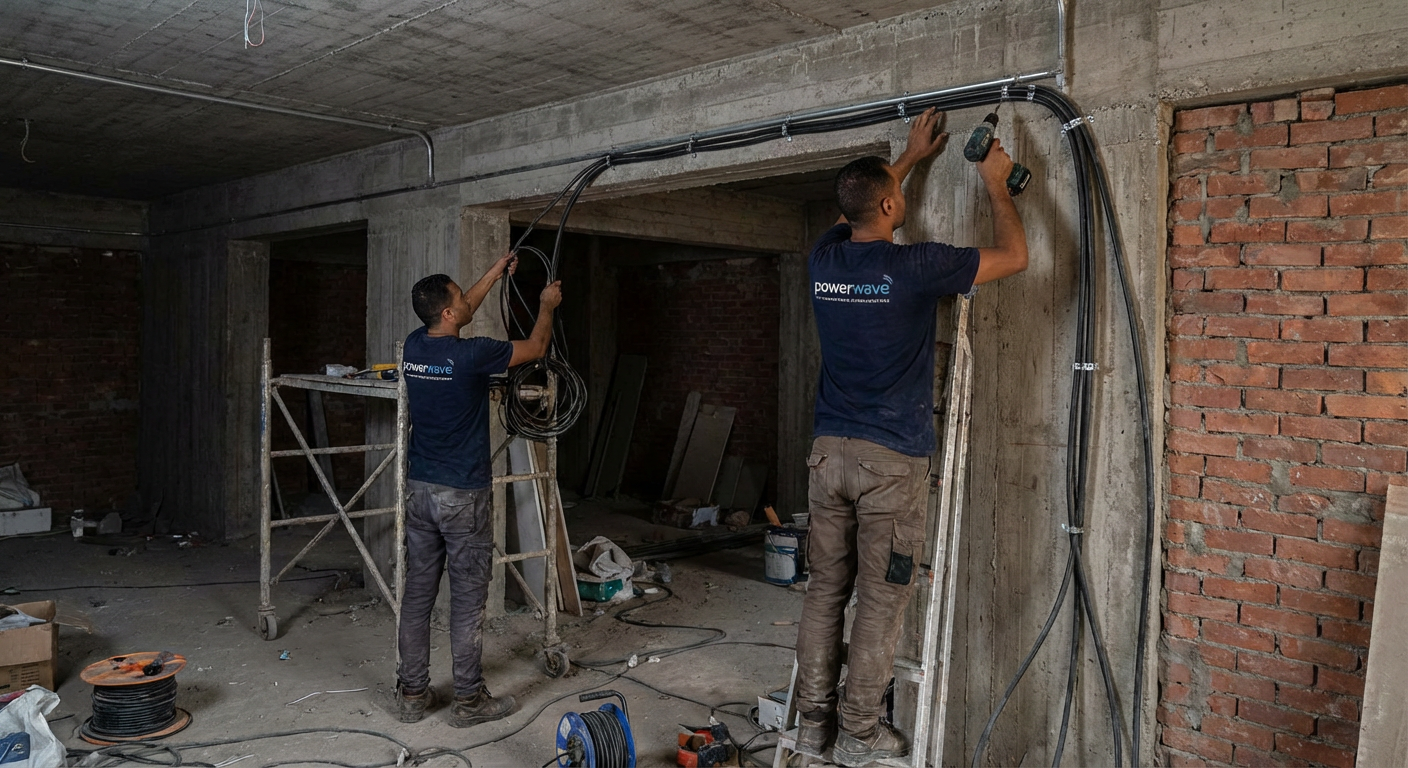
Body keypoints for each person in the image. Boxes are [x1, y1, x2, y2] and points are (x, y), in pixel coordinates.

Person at [794, 107, 1029, 766]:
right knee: (881, 597)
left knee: (824, 591)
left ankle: (812, 725)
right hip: (890, 465)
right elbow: (1015, 257)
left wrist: (905, 157)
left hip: (827, 458)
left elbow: (857, 204)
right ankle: (858, 733)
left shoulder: (823, 258)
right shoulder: (918, 266)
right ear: (891, 205)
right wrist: (995, 184)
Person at [394, 253, 562, 727]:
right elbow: (537, 347)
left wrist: (494, 270)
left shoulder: (415, 345)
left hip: (420, 490)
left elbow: (463, 306)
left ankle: (412, 695)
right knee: (467, 602)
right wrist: (546, 305)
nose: (468, 300)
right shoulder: (473, 355)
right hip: (462, 496)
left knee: (417, 596)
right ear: (449, 312)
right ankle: (468, 701)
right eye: (459, 297)